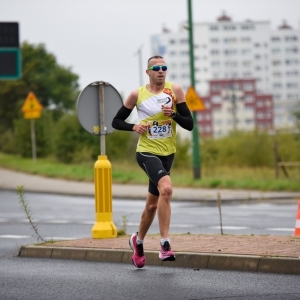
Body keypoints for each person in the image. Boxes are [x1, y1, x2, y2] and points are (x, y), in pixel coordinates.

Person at [112, 55, 194, 268]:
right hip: (146, 152)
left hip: (168, 153)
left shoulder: (175, 91)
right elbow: (116, 121)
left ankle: (137, 242)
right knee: (166, 189)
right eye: (156, 68)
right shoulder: (136, 95)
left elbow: (190, 124)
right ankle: (165, 244)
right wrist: (134, 127)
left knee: (151, 205)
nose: (161, 71)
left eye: (164, 67)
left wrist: (173, 114)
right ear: (148, 72)